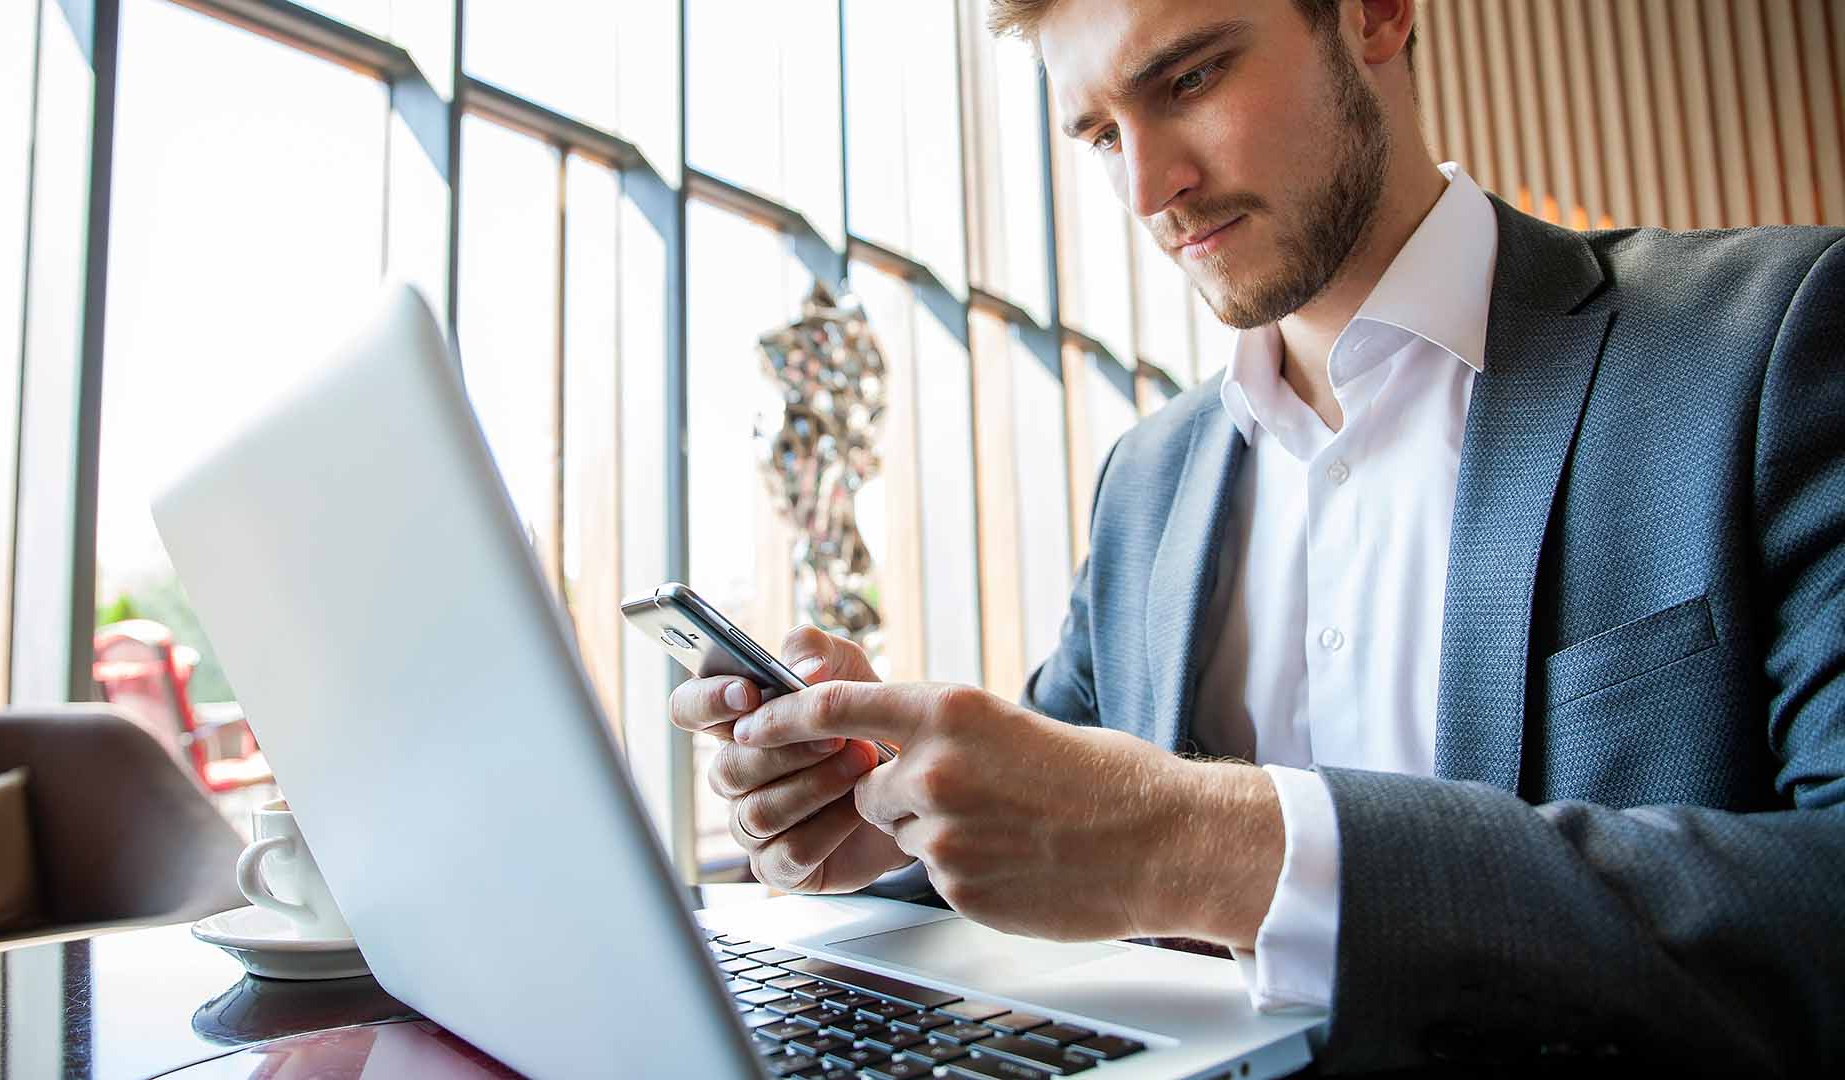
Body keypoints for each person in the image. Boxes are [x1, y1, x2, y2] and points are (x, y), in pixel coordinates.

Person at [668, 0, 1845, 1071]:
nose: (1148, 188)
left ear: (1376, 17)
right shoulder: (1147, 483)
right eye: (1099, 135)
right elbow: (1050, 826)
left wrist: (1197, 844)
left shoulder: (1771, 339)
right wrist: (884, 819)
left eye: (1188, 80)